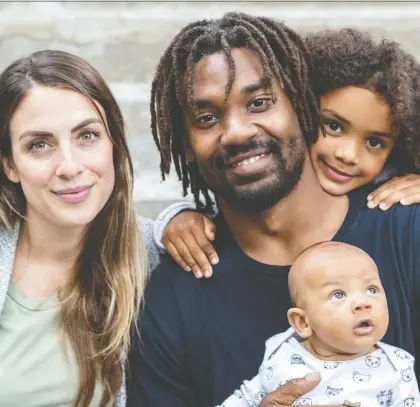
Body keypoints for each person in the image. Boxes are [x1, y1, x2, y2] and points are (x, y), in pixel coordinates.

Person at [127, 12, 420, 407]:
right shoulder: (169, 303)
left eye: (260, 102)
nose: (237, 131)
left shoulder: (409, 231)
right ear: (185, 147)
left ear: (303, 106)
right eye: (207, 118)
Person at [156, 28, 420, 278]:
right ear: (302, 110)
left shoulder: (398, 204)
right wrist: (178, 217)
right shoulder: (256, 176)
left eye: (375, 142)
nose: (348, 154)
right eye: (334, 126)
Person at [0, 50, 157, 407]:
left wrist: (181, 216)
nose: (69, 166)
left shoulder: (152, 251)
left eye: (87, 136)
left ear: (114, 142)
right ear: (9, 164)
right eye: (39, 145)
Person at [217, 242, 420, 407]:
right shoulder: (282, 353)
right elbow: (245, 398)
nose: (363, 302)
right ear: (303, 322)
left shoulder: (397, 367)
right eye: (338, 294)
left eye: (372, 290)